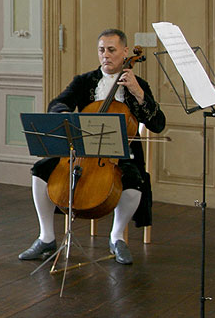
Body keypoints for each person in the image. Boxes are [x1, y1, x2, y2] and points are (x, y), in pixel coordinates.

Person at [18, 29, 166, 265]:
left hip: (121, 155)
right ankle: (46, 237)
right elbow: (57, 103)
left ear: (125, 52)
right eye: (101, 50)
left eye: (111, 50)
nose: (105, 55)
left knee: (134, 181)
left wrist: (138, 93)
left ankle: (117, 237)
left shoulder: (138, 85)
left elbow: (158, 124)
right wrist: (65, 114)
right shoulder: (85, 81)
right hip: (82, 151)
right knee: (41, 171)